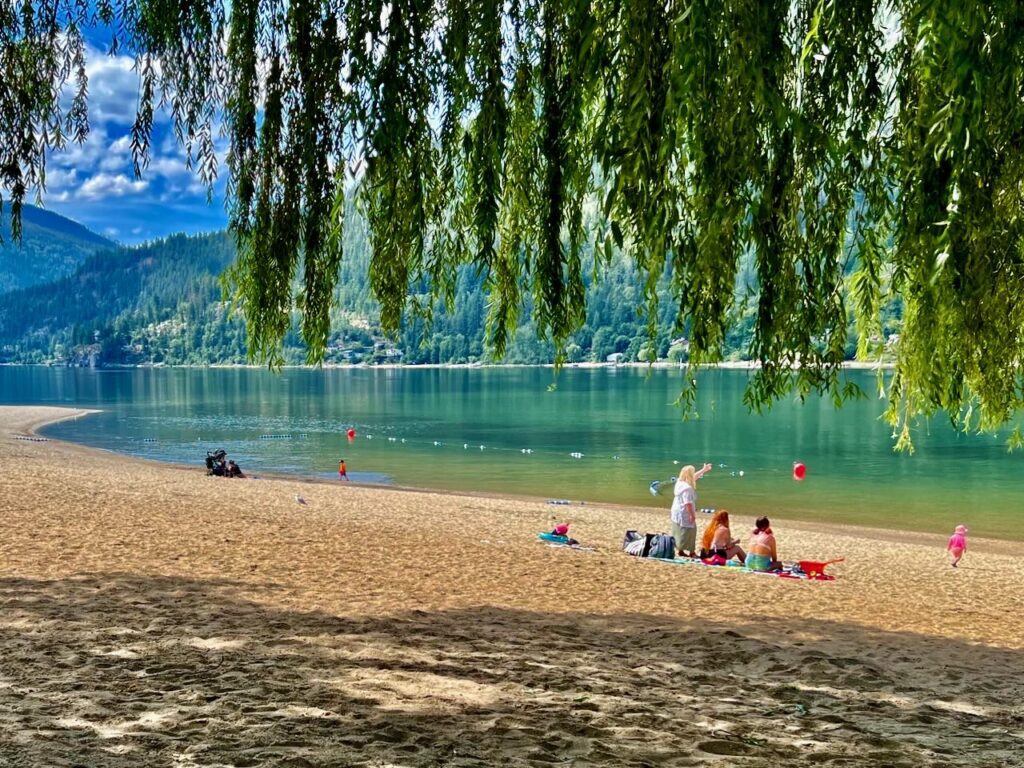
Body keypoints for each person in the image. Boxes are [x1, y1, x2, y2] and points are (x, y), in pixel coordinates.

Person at [670, 463, 712, 558]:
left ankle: (680, 550)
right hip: (683, 512)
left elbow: (693, 477)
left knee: (678, 530)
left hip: (676, 510)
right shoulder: (687, 488)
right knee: (691, 531)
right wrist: (691, 515)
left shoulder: (680, 483)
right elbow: (687, 503)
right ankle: (692, 552)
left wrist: (703, 470)